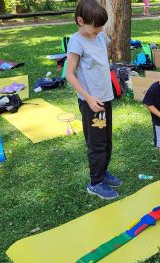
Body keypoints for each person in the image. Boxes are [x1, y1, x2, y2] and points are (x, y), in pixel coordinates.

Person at [66, 0, 122, 200]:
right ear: (80, 21)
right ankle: (95, 182)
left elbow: (101, 60)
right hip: (92, 103)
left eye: (100, 28)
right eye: (95, 28)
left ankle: (103, 172)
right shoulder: (76, 41)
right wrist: (88, 97)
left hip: (105, 99)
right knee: (96, 143)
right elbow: (69, 74)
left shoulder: (100, 37)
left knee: (106, 140)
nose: (98, 31)